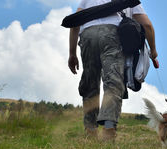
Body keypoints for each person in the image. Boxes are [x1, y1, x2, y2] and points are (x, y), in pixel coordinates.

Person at [68, 0, 158, 141]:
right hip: (112, 34)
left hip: (87, 36)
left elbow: (75, 24)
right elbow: (146, 25)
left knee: (90, 84)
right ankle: (108, 129)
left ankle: (90, 131)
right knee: (113, 81)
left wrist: (72, 54)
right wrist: (153, 51)